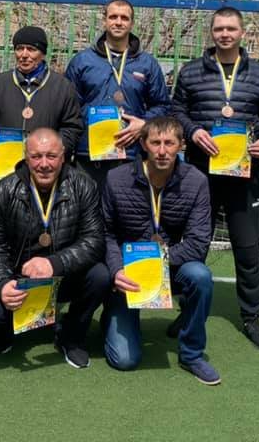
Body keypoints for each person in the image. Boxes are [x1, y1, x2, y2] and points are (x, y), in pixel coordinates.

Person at [171, 6, 259, 350]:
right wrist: (192, 130)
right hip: (199, 174)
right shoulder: (191, 72)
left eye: (231, 28)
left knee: (247, 249)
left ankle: (251, 316)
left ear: (242, 33)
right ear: (212, 32)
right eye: (219, 28)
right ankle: (188, 311)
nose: (225, 34)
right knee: (194, 246)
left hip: (244, 175)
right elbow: (177, 111)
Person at [0, 127, 109, 369]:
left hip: (62, 275)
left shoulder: (84, 185)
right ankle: (6, 328)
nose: (44, 164)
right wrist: (2, 285)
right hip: (18, 278)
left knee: (100, 276)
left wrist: (54, 263)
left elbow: (94, 240)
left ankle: (71, 336)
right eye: (36, 156)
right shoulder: (3, 190)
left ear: (63, 157)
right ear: (26, 157)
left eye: (51, 156)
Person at [101, 117, 219, 385]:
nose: (162, 151)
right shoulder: (116, 179)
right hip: (128, 275)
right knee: (125, 360)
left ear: (181, 145)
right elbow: (105, 234)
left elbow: (198, 242)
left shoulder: (196, 181)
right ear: (143, 144)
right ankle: (112, 314)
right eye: (155, 143)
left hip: (170, 266)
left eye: (169, 143)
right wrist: (117, 270)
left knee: (200, 276)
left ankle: (191, 354)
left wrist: (157, 261)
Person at [65, 0, 171, 188]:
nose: (118, 22)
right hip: (88, 154)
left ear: (132, 23)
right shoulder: (82, 61)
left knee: (125, 206)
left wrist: (144, 124)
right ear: (104, 21)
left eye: (124, 18)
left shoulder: (147, 64)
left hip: (130, 152)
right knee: (88, 206)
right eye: (113, 17)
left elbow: (162, 105)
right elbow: (68, 108)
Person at [0, 25, 83, 159]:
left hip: (45, 164)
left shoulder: (63, 87)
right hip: (6, 161)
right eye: (20, 49)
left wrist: (53, 151)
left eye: (31, 49)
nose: (24, 55)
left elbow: (72, 127)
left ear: (42, 53)